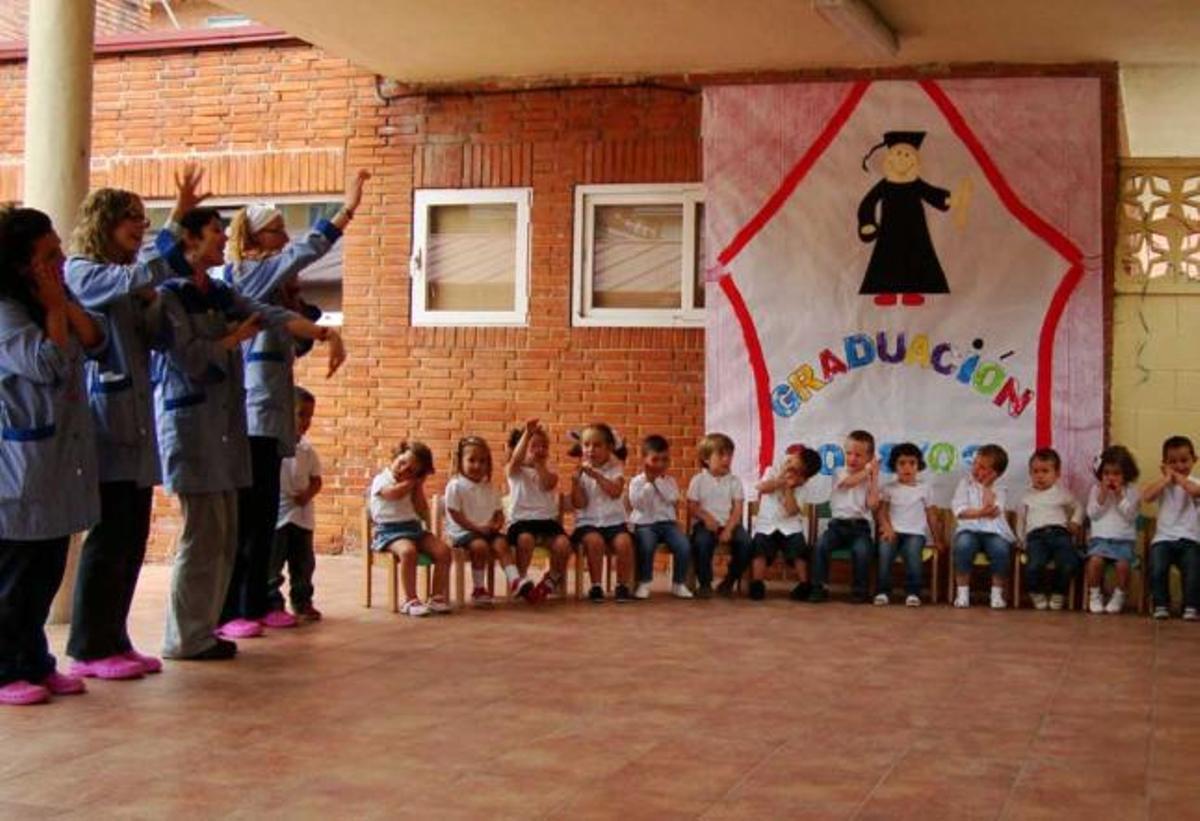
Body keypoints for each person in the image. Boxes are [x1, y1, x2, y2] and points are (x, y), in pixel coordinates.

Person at [156, 206, 343, 660]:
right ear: (188, 242)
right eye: (214, 232)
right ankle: (194, 630)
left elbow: (271, 317)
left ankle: (208, 627)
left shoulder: (219, 291)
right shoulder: (183, 291)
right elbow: (192, 358)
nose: (222, 239)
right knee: (206, 536)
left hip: (226, 427)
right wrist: (345, 213)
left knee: (227, 532)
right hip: (201, 427)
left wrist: (323, 332)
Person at [62, 166, 203, 681]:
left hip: (136, 424)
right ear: (105, 224)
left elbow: (158, 336)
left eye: (145, 223)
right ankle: (88, 646)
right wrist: (178, 218)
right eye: (133, 223)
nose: (140, 231)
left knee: (131, 537)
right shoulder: (82, 271)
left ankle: (114, 637)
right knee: (107, 539)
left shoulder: (130, 281)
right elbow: (141, 273)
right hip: (105, 427)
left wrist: (157, 305)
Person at [219, 171, 365, 636]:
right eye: (276, 230)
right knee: (252, 517)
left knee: (263, 517)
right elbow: (309, 250)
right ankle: (239, 606)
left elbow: (291, 335)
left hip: (273, 416)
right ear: (253, 237)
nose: (285, 239)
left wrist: (318, 328)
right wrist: (346, 209)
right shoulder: (246, 274)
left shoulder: (270, 289)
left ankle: (260, 600)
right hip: (253, 416)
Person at [0, 205, 106, 705]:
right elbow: (46, 364)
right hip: (19, 465)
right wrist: (53, 306)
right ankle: (5, 669)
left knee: (44, 571)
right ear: (23, 264)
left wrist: (58, 299)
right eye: (50, 255)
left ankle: (35, 662)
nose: (62, 259)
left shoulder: (50, 299)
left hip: (57, 458)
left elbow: (94, 338)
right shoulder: (5, 312)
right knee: (16, 576)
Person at [368, 441, 450, 617]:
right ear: (396, 456)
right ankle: (410, 600)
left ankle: (436, 596)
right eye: (402, 462)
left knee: (443, 551)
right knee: (408, 552)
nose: (404, 469)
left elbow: (421, 509)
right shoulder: (382, 479)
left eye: (412, 470)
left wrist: (418, 487)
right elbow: (392, 494)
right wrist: (410, 483)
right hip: (389, 531)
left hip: (414, 529)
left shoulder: (412, 485)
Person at [444, 436, 529, 606]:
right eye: (472, 460)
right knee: (479, 546)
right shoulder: (455, 486)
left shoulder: (490, 488)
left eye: (482, 461)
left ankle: (515, 581)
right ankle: (478, 589)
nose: (477, 465)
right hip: (463, 532)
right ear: (460, 461)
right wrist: (476, 528)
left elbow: (498, 512)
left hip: (486, 531)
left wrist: (497, 524)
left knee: (502, 544)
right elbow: (454, 513)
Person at [267, 387, 323, 622]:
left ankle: (302, 601)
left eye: (310, 416)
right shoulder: (273, 446)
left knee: (303, 563)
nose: (305, 421)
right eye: (301, 414)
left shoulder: (308, 451)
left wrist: (308, 494)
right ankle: (272, 603)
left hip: (301, 516)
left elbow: (317, 480)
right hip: (278, 516)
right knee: (273, 563)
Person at [749, 444, 826, 602]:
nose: (789, 468)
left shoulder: (803, 488)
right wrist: (781, 481)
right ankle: (757, 583)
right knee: (760, 545)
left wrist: (789, 489)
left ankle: (804, 584)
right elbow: (762, 488)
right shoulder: (772, 470)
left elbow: (791, 511)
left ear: (804, 478)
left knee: (799, 547)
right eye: (790, 462)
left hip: (790, 526)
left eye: (796, 470)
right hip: (767, 524)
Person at [505, 419, 571, 603]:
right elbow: (515, 460)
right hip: (522, 522)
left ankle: (552, 579)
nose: (540, 450)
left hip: (547, 522)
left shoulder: (550, 474)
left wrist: (539, 465)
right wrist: (527, 433)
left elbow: (546, 484)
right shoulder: (515, 472)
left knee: (563, 545)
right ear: (523, 448)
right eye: (534, 446)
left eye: (544, 446)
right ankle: (521, 579)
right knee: (525, 540)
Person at [810, 430, 880, 603]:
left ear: (869, 457)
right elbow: (848, 483)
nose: (852, 458)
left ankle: (859, 591)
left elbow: (872, 505)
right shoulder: (839, 471)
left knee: (862, 551)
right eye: (849, 453)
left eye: (858, 455)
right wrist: (868, 471)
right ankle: (819, 587)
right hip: (837, 526)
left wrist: (874, 478)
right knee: (820, 546)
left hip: (861, 528)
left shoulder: (869, 476)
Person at [571, 423, 634, 603]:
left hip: (614, 522)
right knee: (594, 541)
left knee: (624, 542)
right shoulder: (580, 471)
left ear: (609, 449)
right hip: (588, 523)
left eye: (597, 445)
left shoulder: (616, 469)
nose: (591, 450)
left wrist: (597, 476)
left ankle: (622, 585)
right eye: (586, 445)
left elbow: (615, 492)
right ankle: (596, 585)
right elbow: (579, 503)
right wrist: (575, 484)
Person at [875, 442, 940, 607]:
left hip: (915, 534)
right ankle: (883, 591)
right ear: (894, 466)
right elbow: (881, 512)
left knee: (913, 554)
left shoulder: (925, 488)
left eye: (912, 463)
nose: (907, 468)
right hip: (892, 532)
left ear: (919, 466)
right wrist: (887, 529)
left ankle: (913, 592)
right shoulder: (889, 488)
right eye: (902, 463)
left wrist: (937, 539)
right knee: (885, 552)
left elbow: (931, 515)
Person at [1142, 436, 1200, 620]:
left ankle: (1190, 605)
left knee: (1193, 570)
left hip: (1190, 539)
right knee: (1157, 567)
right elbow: (1147, 496)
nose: (1179, 465)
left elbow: (1193, 491)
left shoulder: (1195, 482)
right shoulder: (1164, 484)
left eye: (1184, 460)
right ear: (1165, 463)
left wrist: (1178, 477)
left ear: (1194, 460)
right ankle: (1161, 604)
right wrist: (1167, 479)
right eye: (1173, 462)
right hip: (1163, 539)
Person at [628, 435, 693, 600]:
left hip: (668, 524)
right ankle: (644, 582)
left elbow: (672, 498)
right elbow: (639, 505)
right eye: (655, 459)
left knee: (683, 545)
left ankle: (679, 583)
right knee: (647, 545)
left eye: (664, 460)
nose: (660, 464)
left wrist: (657, 481)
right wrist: (649, 484)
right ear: (644, 460)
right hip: (644, 525)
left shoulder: (670, 481)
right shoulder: (636, 482)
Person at [951, 444, 1015, 609]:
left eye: (982, 467)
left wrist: (986, 487)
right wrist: (980, 513)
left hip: (993, 531)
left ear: (996, 473)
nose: (976, 469)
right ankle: (962, 593)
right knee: (963, 546)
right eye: (975, 464)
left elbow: (993, 511)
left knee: (1000, 549)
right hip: (968, 529)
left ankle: (996, 595)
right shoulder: (965, 483)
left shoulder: (1001, 489)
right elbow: (960, 511)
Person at [1018, 448, 1083, 611]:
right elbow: (1021, 520)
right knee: (1033, 565)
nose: (1040, 476)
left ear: (1057, 473)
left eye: (1045, 471)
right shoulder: (1026, 496)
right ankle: (1036, 592)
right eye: (1035, 471)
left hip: (1060, 534)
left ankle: (1059, 593)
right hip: (1036, 537)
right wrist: (1021, 539)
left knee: (1069, 563)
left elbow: (1079, 507)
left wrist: (1075, 522)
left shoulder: (1062, 493)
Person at [687, 433, 751, 599]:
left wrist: (729, 529)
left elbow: (737, 510)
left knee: (746, 543)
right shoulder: (698, 480)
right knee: (702, 542)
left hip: (729, 523)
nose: (726, 459)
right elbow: (692, 506)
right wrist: (706, 518)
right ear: (706, 458)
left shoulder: (734, 481)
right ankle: (705, 583)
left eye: (729, 455)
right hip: (705, 524)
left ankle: (729, 581)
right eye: (721, 455)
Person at [1084, 445, 1140, 615]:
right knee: (1094, 562)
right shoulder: (1095, 490)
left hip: (1123, 540)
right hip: (1100, 540)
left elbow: (1131, 516)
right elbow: (1092, 514)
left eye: (1116, 474)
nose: (1111, 478)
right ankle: (1094, 595)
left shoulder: (1132, 492)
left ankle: (1119, 594)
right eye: (1106, 473)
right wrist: (1102, 496)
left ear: (1126, 474)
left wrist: (1119, 496)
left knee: (1123, 565)